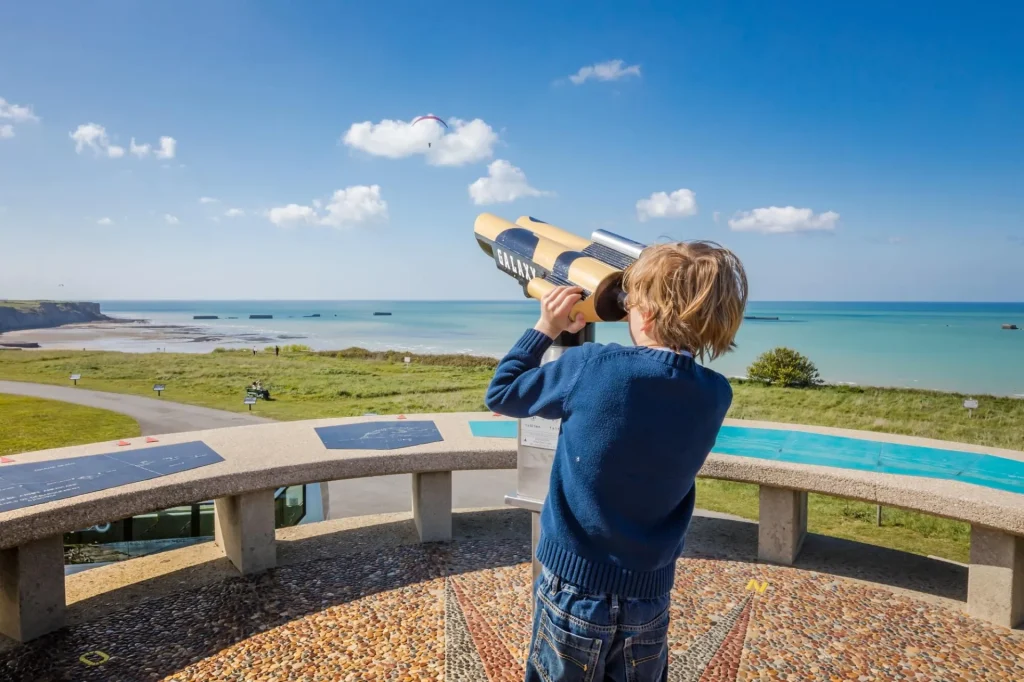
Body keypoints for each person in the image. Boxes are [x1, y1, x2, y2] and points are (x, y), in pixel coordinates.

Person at [485, 241, 747, 682]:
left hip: (575, 586)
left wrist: (546, 327)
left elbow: (503, 393)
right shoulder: (716, 392)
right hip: (649, 594)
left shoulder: (594, 365)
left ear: (642, 311)